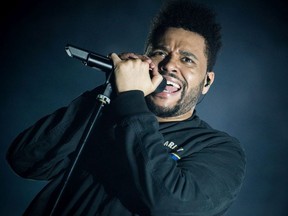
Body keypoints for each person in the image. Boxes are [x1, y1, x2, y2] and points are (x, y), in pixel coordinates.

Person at [6, 0, 246, 215]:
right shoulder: (108, 111)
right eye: (160, 52)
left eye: (187, 59)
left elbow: (171, 206)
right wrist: (112, 90)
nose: (169, 65)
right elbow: (26, 160)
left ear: (207, 81)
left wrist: (130, 98)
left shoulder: (219, 150)